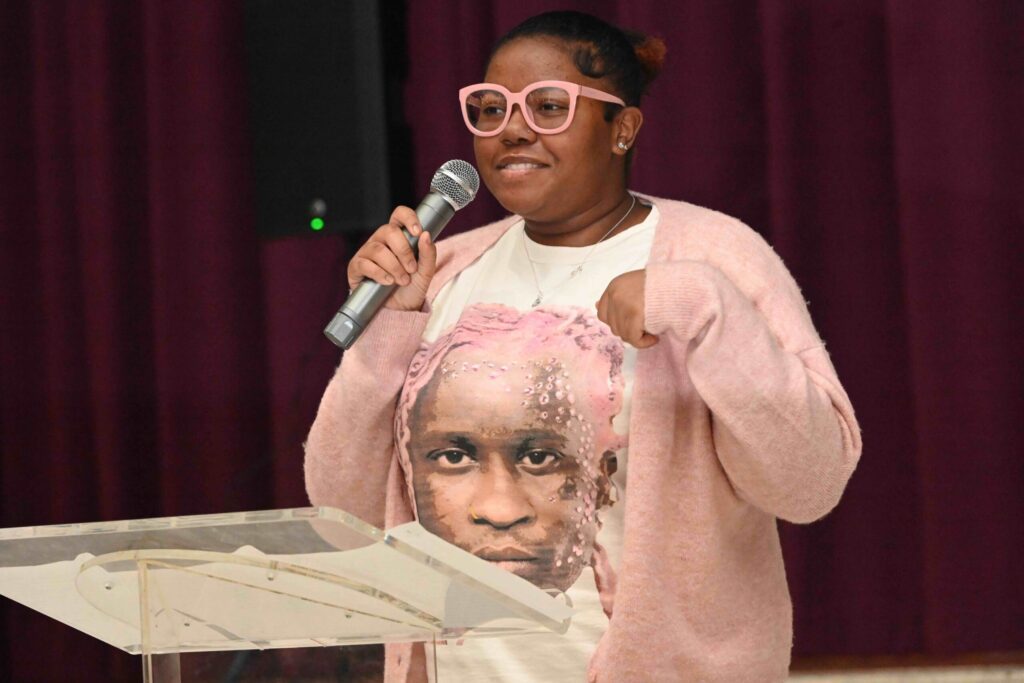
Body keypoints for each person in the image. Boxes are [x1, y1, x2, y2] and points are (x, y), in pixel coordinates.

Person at [305, 10, 861, 683]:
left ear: (622, 128)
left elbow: (809, 482)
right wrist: (385, 335)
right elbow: (346, 517)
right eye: (491, 108)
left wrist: (705, 307)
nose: (512, 129)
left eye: (548, 107)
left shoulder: (712, 257)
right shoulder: (442, 273)